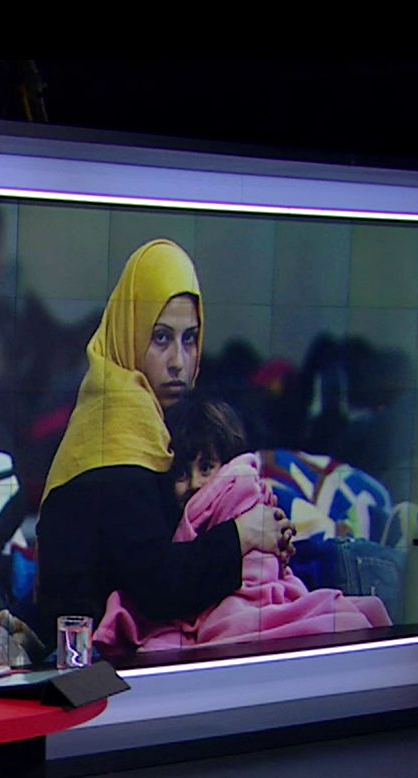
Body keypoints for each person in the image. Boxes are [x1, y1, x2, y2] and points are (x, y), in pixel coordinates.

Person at [35, 238, 293, 646]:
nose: (178, 362)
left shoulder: (139, 412)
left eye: (189, 339)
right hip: (91, 656)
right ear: (130, 333)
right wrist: (244, 534)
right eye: (160, 338)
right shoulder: (121, 418)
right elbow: (159, 586)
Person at [94, 396, 390, 654]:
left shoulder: (239, 489)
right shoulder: (163, 520)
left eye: (206, 467)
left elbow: (247, 601)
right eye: (182, 474)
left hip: (346, 562)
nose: (196, 483)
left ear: (227, 464)